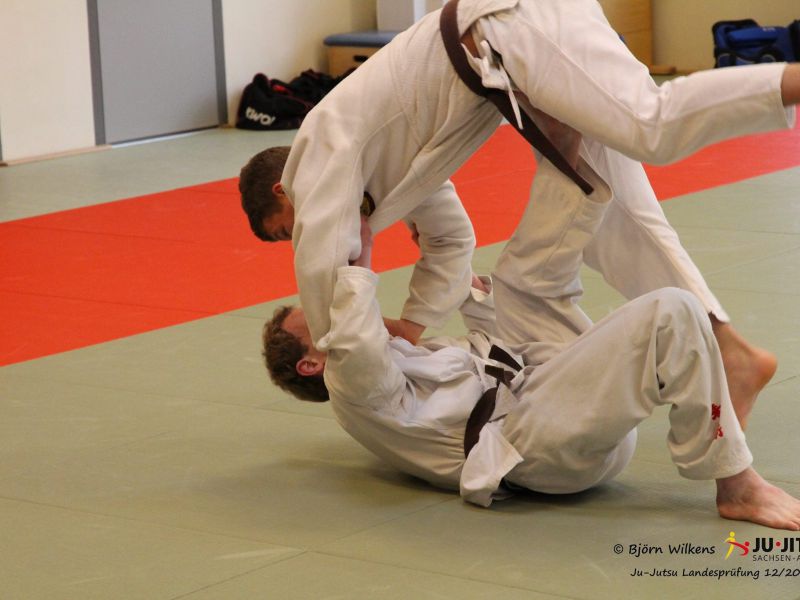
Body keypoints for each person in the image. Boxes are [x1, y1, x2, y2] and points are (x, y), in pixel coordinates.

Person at [241, 0, 800, 421]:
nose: (299, 234)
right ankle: (732, 354)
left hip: (504, 26)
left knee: (649, 125)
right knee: (620, 222)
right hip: (502, 63)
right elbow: (450, 239)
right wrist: (411, 324)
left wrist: (337, 348)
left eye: (285, 230)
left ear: (282, 195)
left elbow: (321, 265)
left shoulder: (314, 157)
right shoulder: (379, 175)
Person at [260, 135, 800, 530]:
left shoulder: (392, 357)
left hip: (541, 396)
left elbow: (486, 355)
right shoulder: (350, 387)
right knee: (671, 311)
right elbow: (355, 341)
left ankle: (571, 154)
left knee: (526, 271)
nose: (328, 305)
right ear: (312, 362)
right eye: (315, 314)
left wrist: (465, 288)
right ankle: (735, 481)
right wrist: (359, 258)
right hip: (535, 450)